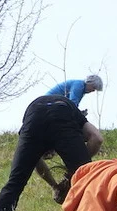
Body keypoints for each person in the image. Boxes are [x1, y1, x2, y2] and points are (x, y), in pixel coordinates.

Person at [0, 95, 104, 211]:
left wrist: (55, 185)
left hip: (34, 115)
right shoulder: (75, 116)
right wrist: (77, 170)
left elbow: (34, 160)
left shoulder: (34, 130)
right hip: (62, 112)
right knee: (86, 182)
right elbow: (97, 138)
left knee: (14, 184)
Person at [35, 74, 105, 202]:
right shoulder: (79, 85)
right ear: (89, 82)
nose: (92, 91)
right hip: (54, 112)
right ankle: (74, 164)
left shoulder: (79, 87)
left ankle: (69, 165)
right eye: (93, 88)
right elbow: (72, 104)